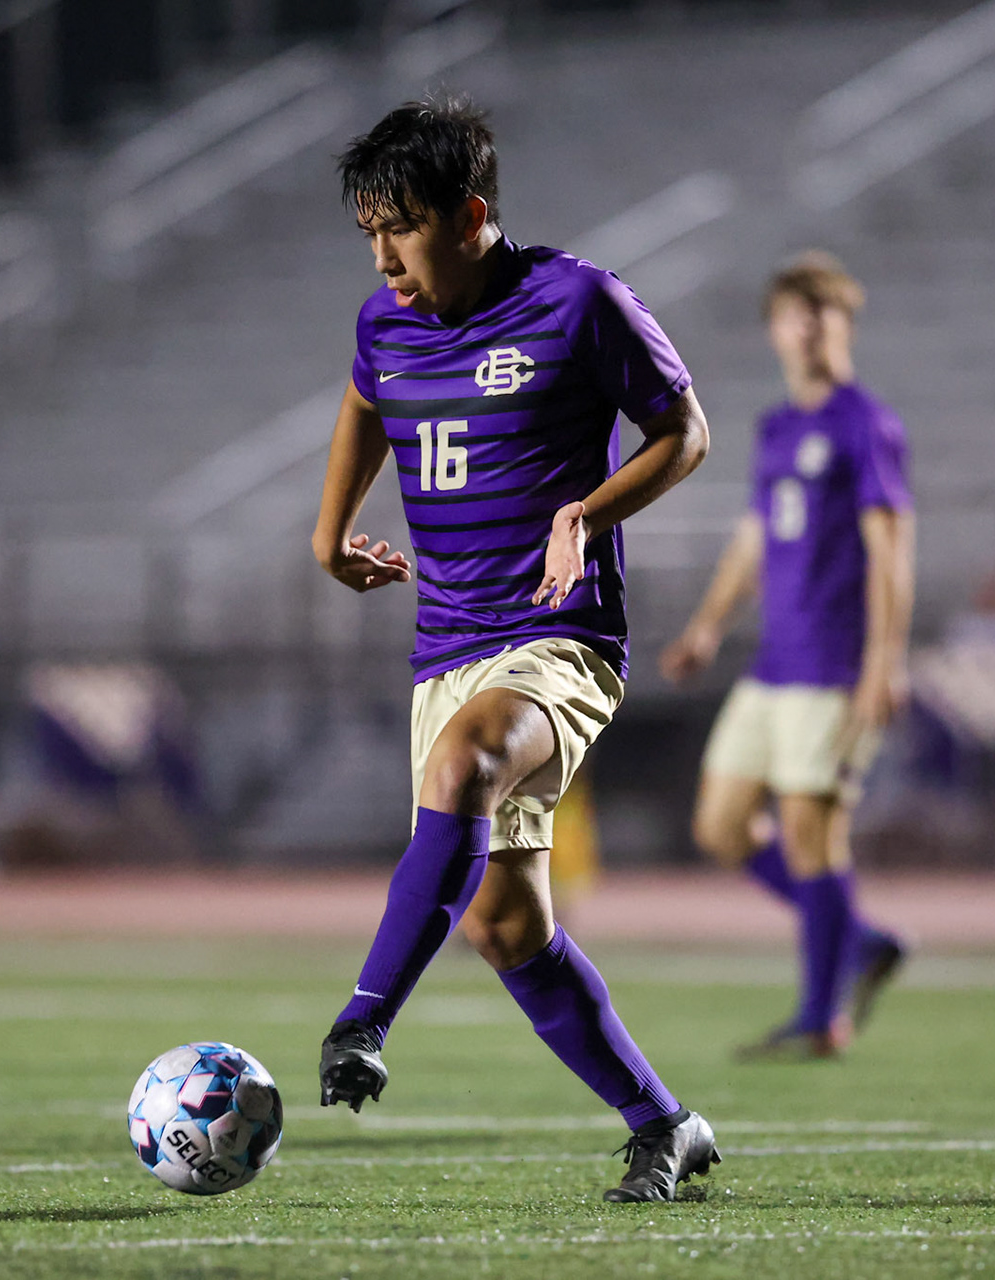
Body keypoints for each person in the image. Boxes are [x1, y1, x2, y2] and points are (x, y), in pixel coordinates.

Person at [310, 96, 718, 1203]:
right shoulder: (383, 322)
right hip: (444, 643)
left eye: (402, 228)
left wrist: (583, 513)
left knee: (467, 762)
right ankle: (664, 1123)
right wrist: (330, 525)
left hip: (558, 637)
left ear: (472, 214)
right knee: (503, 922)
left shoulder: (578, 300)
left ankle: (362, 1016)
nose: (386, 256)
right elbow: (365, 399)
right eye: (369, 234)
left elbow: (685, 431)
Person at [661, 252, 915, 1060]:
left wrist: (884, 662)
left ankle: (818, 1015)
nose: (807, 327)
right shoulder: (777, 427)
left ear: (844, 324)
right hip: (774, 663)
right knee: (722, 825)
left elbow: (891, 550)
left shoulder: (863, 423)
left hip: (837, 665)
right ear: (774, 329)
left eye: (822, 313)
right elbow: (754, 536)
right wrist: (707, 625)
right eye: (793, 314)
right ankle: (861, 943)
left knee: (811, 835)